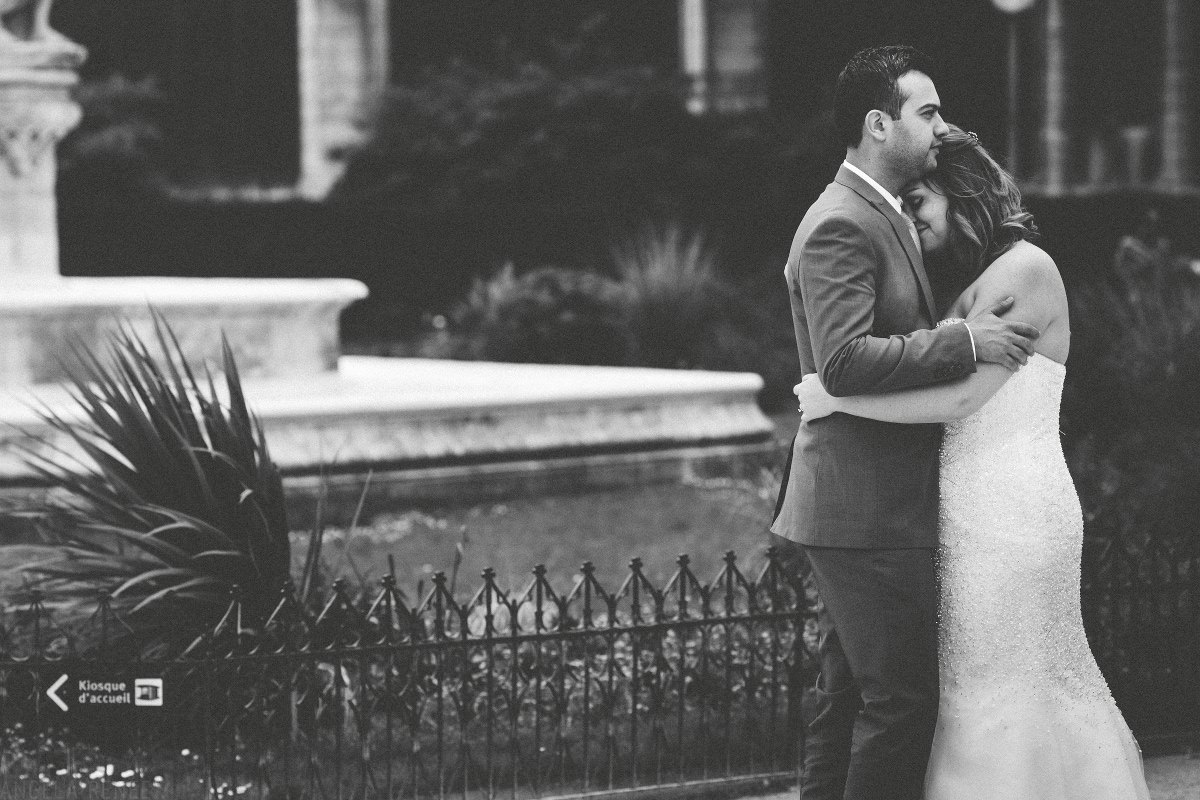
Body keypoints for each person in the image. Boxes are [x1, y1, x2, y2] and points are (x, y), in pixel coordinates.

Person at [795, 126, 1151, 800]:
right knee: (969, 684)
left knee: (1007, 685)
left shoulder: (1025, 269)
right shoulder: (975, 278)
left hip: (1012, 507)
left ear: (965, 194)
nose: (912, 219)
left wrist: (832, 399)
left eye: (920, 201)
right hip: (970, 504)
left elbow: (960, 398)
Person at [769, 45, 1040, 800]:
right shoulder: (840, 224)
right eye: (928, 113)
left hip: (875, 504)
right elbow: (844, 361)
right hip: (866, 510)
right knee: (902, 704)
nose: (942, 127)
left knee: (852, 694)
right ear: (878, 124)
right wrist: (965, 342)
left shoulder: (884, 215)